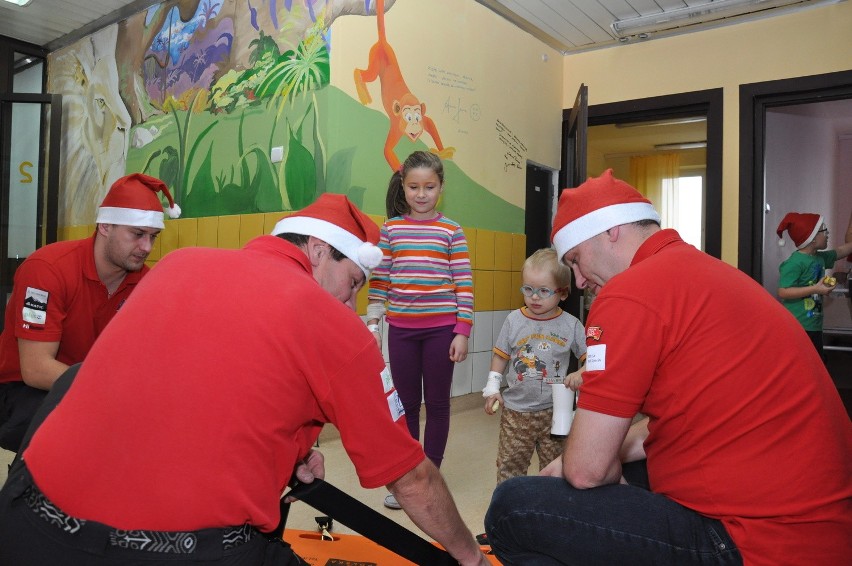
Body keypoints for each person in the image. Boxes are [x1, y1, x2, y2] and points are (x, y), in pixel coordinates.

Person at [0, 193, 489, 566]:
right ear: (319, 251)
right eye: (353, 284)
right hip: (173, 551)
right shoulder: (332, 323)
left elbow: (203, 391)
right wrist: (468, 557)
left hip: (23, 523)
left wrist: (286, 451)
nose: (350, 304)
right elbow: (413, 480)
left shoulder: (176, 264)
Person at [484, 170, 852, 566]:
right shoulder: (702, 270)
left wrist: (588, 461)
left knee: (514, 508)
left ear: (609, 231)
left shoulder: (629, 293)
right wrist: (600, 458)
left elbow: (587, 471)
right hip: (823, 528)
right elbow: (679, 418)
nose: (578, 280)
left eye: (575, 260)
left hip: (757, 542)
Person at [0, 173, 177, 453]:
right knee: (75, 432)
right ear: (105, 226)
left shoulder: (145, 283)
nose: (146, 248)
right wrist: (108, 392)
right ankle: (30, 495)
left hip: (91, 386)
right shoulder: (48, 270)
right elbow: (35, 369)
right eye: (137, 235)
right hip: (22, 389)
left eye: (153, 237)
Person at [366, 151, 473, 510]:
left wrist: (462, 330)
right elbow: (379, 281)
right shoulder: (391, 229)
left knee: (438, 404)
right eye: (414, 187)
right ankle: (411, 478)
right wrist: (374, 323)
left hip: (442, 329)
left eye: (429, 187)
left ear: (440, 188)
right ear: (403, 186)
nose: (422, 193)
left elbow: (464, 283)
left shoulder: (452, 231)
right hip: (402, 331)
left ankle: (432, 476)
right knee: (406, 405)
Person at [481, 248, 586, 485]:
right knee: (510, 467)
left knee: (555, 468)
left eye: (543, 291)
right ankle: (509, 507)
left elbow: (589, 358)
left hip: (555, 412)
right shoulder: (513, 320)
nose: (534, 297)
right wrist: (492, 386)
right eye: (528, 289)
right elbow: (501, 356)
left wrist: (581, 372)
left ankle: (548, 510)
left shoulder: (571, 325)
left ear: (563, 293)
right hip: (516, 412)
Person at [776, 210, 852, 358]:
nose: (828, 233)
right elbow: (783, 291)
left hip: (814, 324)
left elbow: (842, 250)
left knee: (816, 360)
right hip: (798, 325)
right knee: (803, 362)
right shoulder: (794, 263)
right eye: (824, 230)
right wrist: (815, 289)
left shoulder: (819, 258)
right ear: (812, 238)